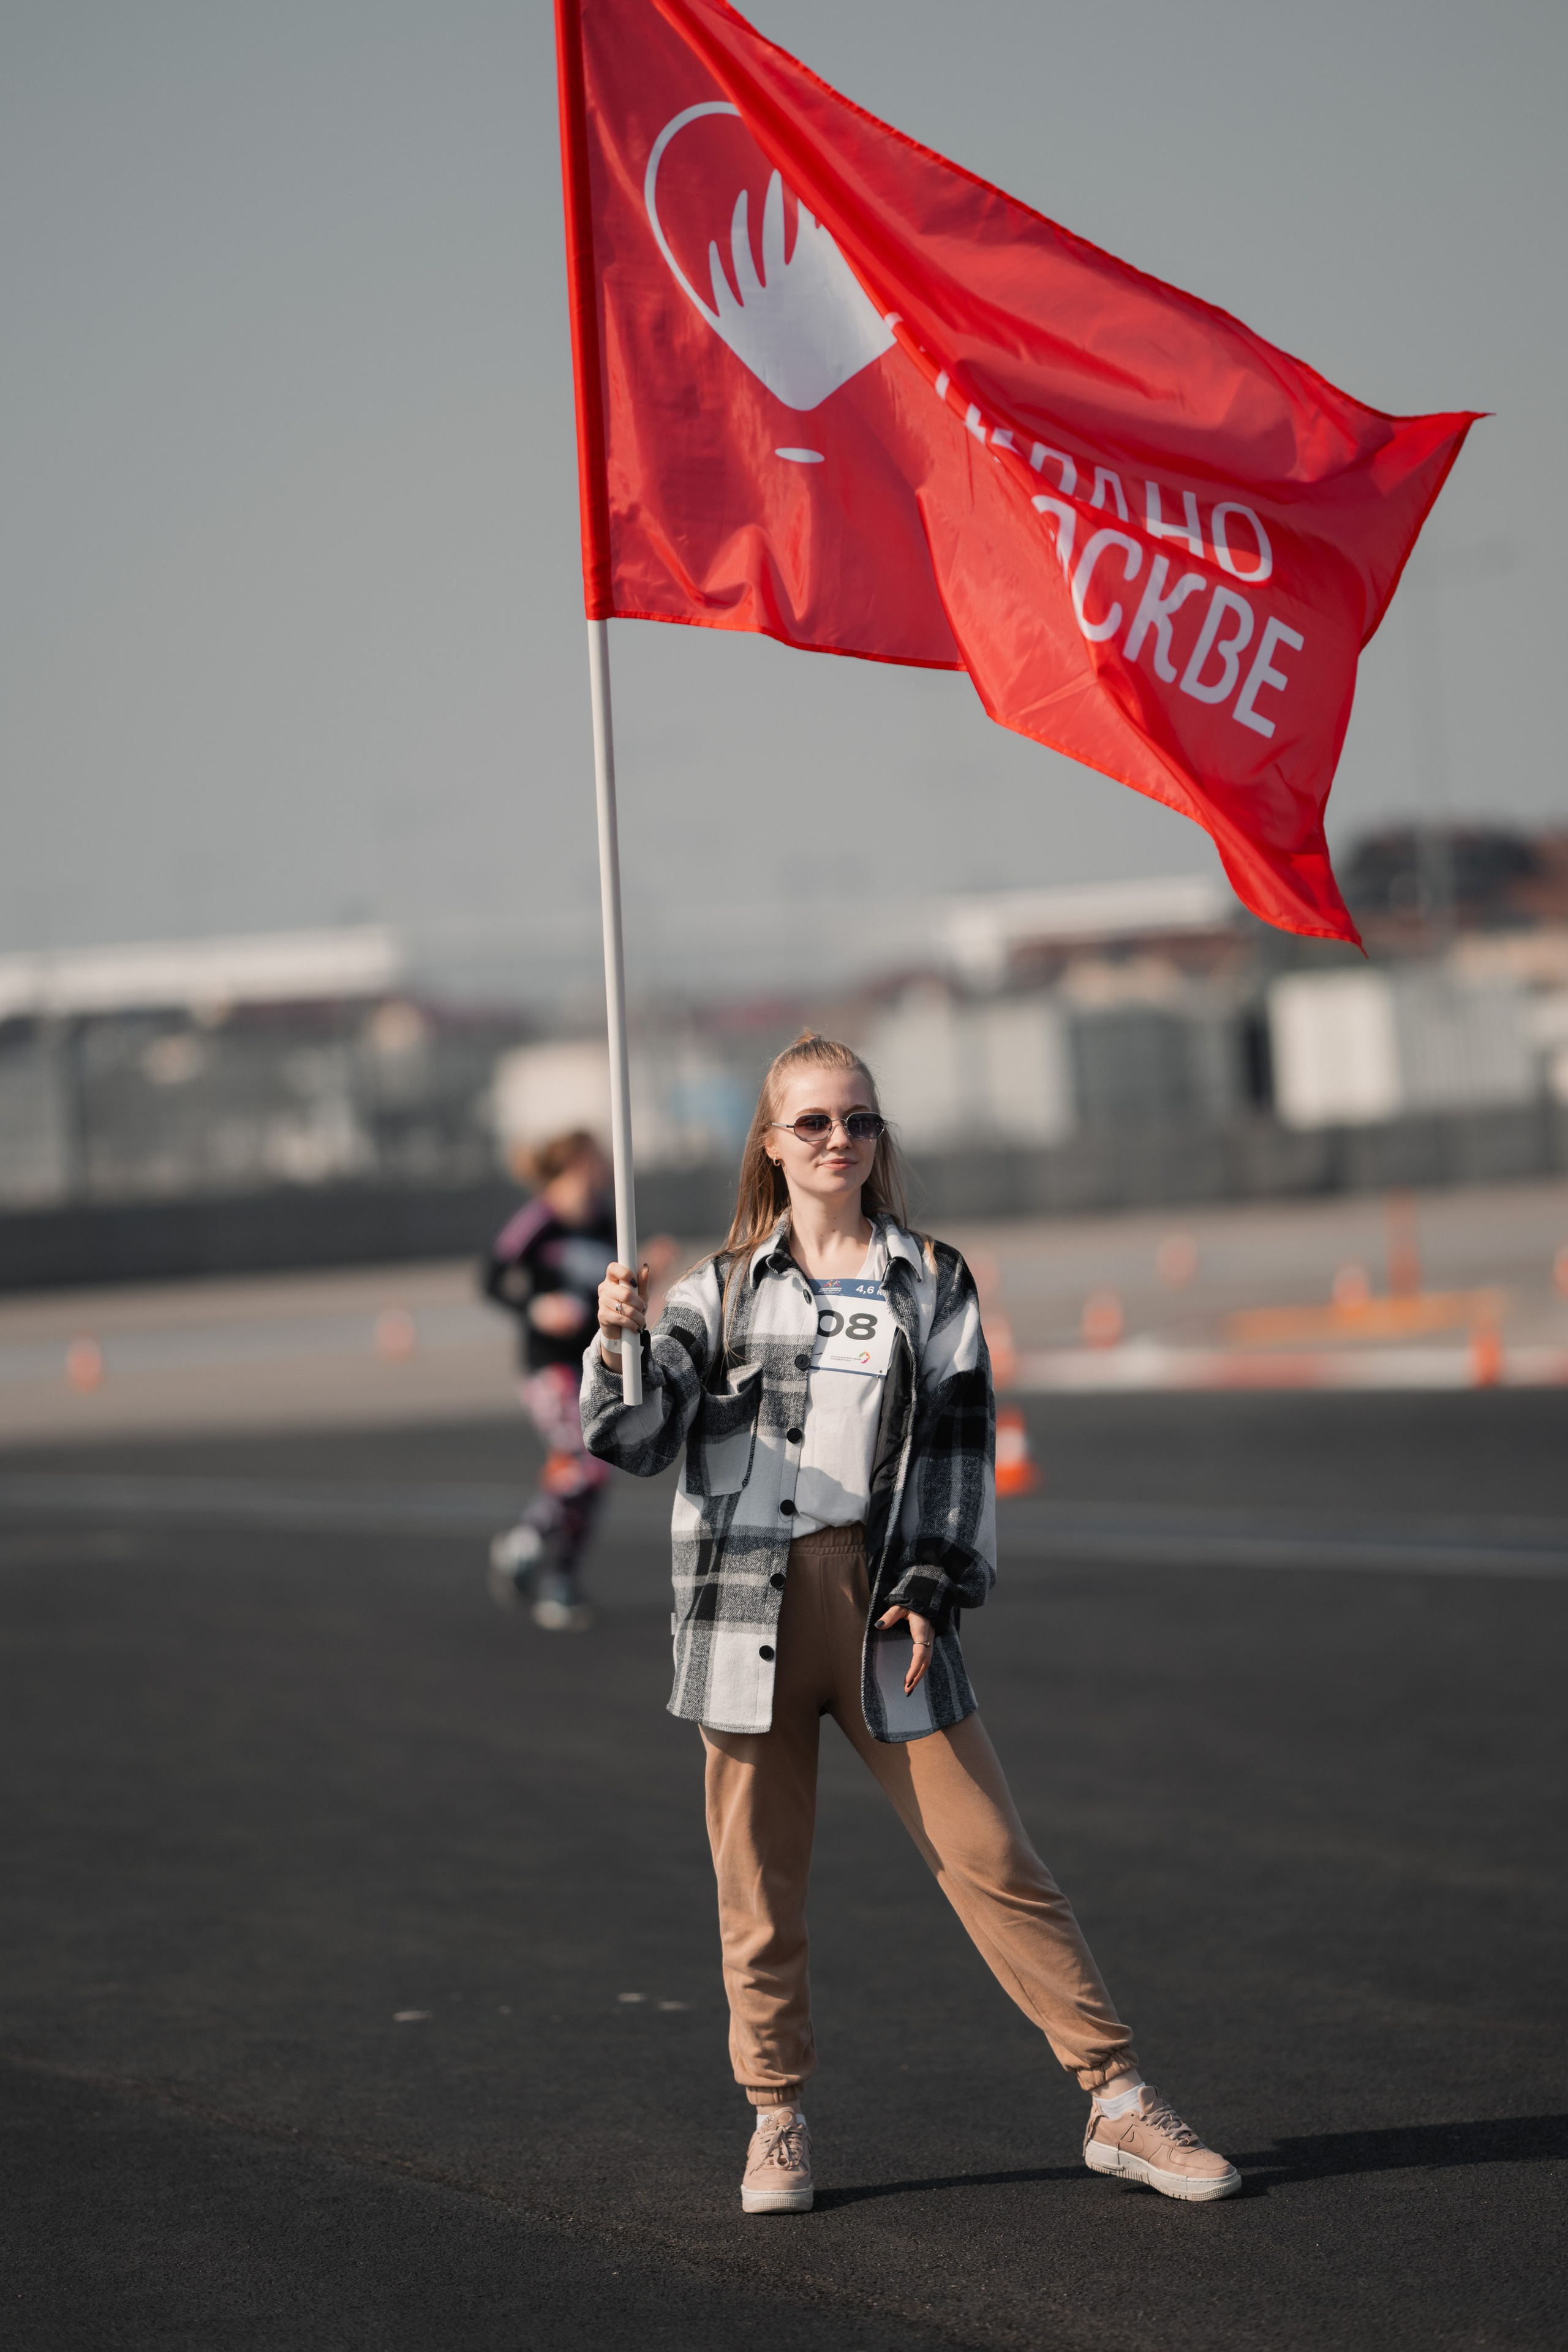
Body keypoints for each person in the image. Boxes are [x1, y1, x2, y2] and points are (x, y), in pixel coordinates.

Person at [585, 1031, 1240, 2212]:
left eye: (861, 1121)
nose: (842, 1141)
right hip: (745, 1615)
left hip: (887, 1608)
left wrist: (933, 1582)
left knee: (995, 1860)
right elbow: (633, 1442)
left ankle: (1122, 2102)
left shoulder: (931, 1279)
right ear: (772, 1144)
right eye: (817, 1123)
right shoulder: (712, 1290)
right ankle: (776, 2121)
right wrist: (620, 1340)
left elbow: (957, 1446)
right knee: (759, 1885)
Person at [483, 1130, 618, 1632]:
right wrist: (538, 1307)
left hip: (593, 1364)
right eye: (597, 1158)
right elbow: (492, 1277)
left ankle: (559, 1579)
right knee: (584, 1464)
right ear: (578, 1163)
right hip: (550, 1368)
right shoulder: (541, 1219)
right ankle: (528, 1542)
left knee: (592, 1471)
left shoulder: (605, 1219)